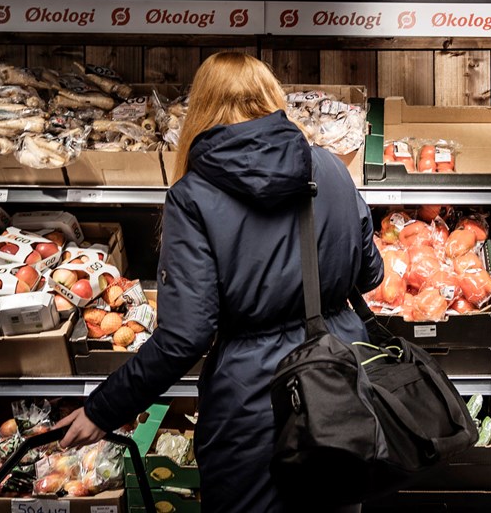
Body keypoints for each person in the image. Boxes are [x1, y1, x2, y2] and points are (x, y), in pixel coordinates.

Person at [54, 51, 384, 513]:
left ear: (201, 109)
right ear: (273, 97)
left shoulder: (192, 195)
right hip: (341, 380)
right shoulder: (329, 168)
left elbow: (185, 337)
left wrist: (102, 408)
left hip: (253, 399)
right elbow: (371, 273)